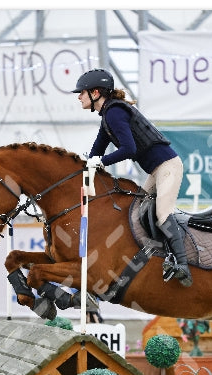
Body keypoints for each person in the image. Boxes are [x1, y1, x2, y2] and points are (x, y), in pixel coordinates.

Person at [73, 68, 192, 287]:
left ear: (96, 93)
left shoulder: (115, 112)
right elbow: (95, 153)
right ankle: (155, 253)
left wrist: (101, 162)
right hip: (157, 171)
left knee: (162, 211)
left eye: (82, 92)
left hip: (168, 167)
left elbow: (129, 148)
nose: (78, 96)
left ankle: (182, 264)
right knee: (135, 211)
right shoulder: (107, 117)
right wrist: (82, 167)